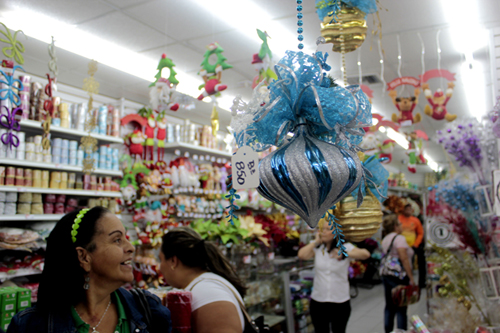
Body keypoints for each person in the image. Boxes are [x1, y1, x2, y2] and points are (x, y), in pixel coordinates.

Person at [7, 206, 172, 333]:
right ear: (84, 257)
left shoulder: (150, 310)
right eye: (117, 240)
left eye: (126, 238)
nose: (130, 248)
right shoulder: (31, 326)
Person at [159, 227, 246, 333]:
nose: (160, 267)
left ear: (173, 261)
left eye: (161, 260)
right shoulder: (204, 287)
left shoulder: (207, 292)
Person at [297, 218, 371, 333]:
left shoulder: (344, 247)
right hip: (319, 301)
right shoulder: (318, 249)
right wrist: (315, 242)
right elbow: (301, 255)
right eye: (322, 229)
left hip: (340, 301)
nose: (324, 232)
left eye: (327, 229)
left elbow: (365, 254)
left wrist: (345, 254)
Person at [381, 215, 415, 333]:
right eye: (399, 224)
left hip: (387, 274)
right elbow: (404, 258)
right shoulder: (399, 238)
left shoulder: (385, 239)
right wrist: (411, 277)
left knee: (389, 305)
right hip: (399, 276)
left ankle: (388, 329)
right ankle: (401, 330)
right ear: (395, 226)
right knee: (401, 306)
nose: (401, 226)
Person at [398, 203, 426, 287]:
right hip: (402, 246)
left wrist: (416, 244)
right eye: (406, 209)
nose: (408, 211)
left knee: (421, 262)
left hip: (414, 245)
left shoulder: (415, 220)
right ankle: (405, 282)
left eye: (410, 209)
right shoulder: (399, 219)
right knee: (405, 264)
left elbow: (420, 233)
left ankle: (422, 282)